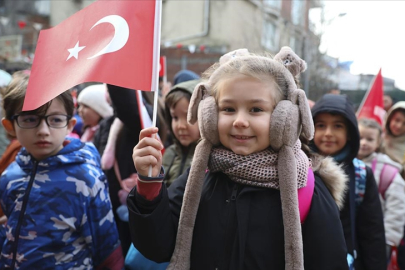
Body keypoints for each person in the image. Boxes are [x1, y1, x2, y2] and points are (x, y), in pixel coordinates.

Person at [127, 47, 349, 269]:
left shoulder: (307, 189)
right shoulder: (200, 176)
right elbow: (157, 247)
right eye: (228, 109)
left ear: (285, 117)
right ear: (210, 114)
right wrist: (149, 185)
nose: (239, 121)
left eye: (255, 109)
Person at [0, 74, 123, 269]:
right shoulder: (9, 176)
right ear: (10, 126)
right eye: (30, 119)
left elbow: (107, 248)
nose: (43, 130)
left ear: (70, 125)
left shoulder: (85, 180)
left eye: (55, 120)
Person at [311, 94, 386, 270]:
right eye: (320, 125)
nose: (328, 133)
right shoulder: (297, 169)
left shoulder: (362, 174)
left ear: (350, 133)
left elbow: (372, 232)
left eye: (338, 126)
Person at [357, 118, 405, 258]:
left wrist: (388, 241)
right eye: (360, 137)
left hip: (376, 240)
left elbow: (396, 210)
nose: (364, 142)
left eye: (370, 139)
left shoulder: (387, 172)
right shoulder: (341, 163)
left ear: (378, 142)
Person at [162, 79, 201, 186]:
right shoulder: (169, 153)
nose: (180, 126)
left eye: (189, 117)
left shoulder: (210, 158)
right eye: (175, 117)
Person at [381, 101, 405, 176]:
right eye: (397, 120)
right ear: (389, 118)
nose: (399, 126)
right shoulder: (377, 138)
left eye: (404, 124)